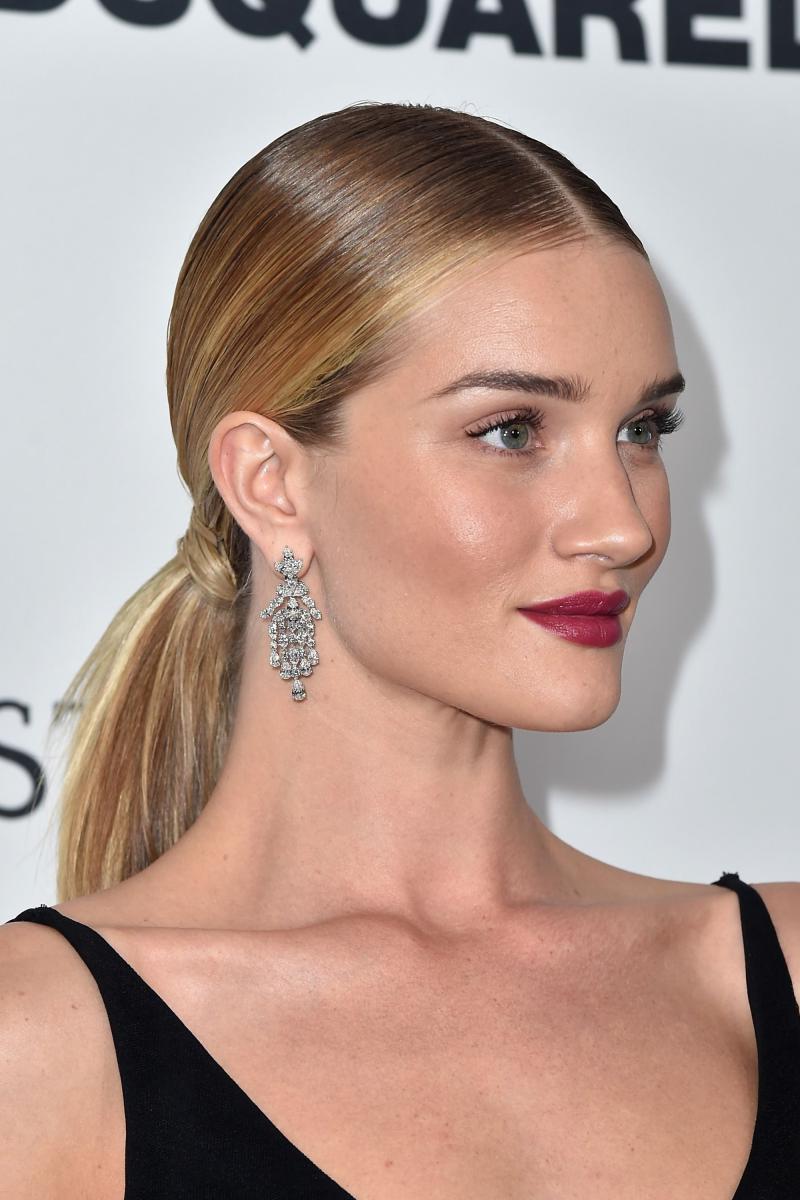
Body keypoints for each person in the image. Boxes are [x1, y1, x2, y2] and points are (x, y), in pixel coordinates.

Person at [2, 100, 798, 1200]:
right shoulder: (39, 1051)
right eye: (511, 431)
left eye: (641, 430)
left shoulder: (773, 974)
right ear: (271, 483)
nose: (621, 525)